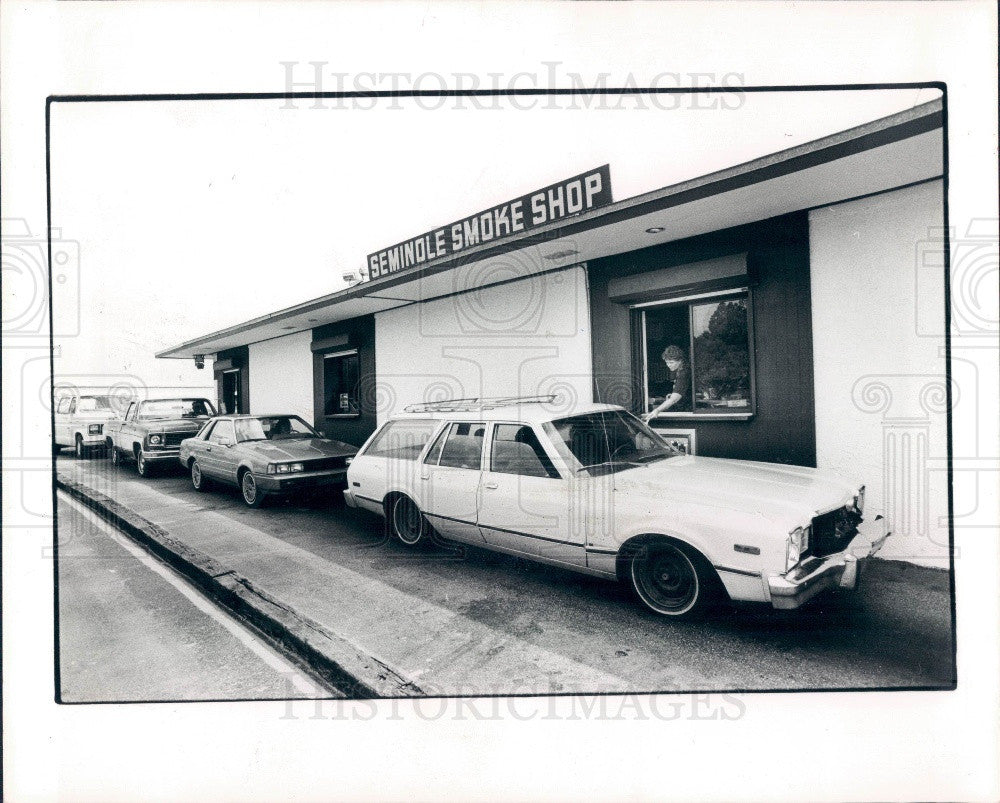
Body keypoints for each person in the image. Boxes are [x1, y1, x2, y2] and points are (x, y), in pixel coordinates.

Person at [643, 345, 691, 420]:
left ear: (680, 360)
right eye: (667, 362)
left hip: (686, 410)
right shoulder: (681, 370)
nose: (668, 365)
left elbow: (674, 399)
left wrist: (657, 410)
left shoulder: (683, 374)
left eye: (671, 362)